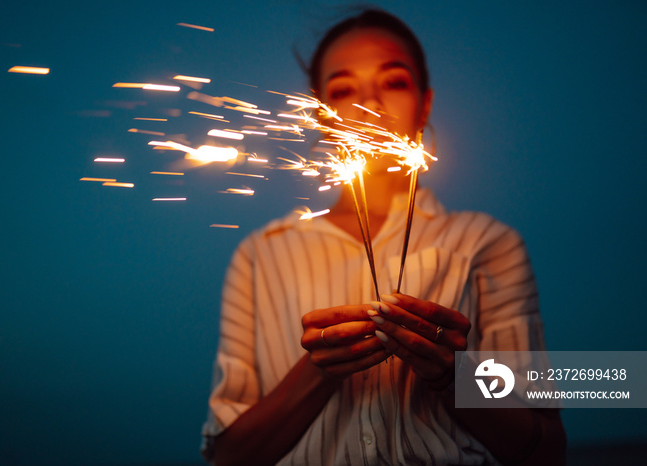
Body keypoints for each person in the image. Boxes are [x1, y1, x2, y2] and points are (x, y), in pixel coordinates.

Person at [201, 9, 566, 466]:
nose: (369, 106)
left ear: (425, 103)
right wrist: (318, 372)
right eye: (343, 90)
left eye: (393, 82)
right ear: (320, 114)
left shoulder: (486, 243)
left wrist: (454, 377)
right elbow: (228, 457)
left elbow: (547, 451)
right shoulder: (259, 255)